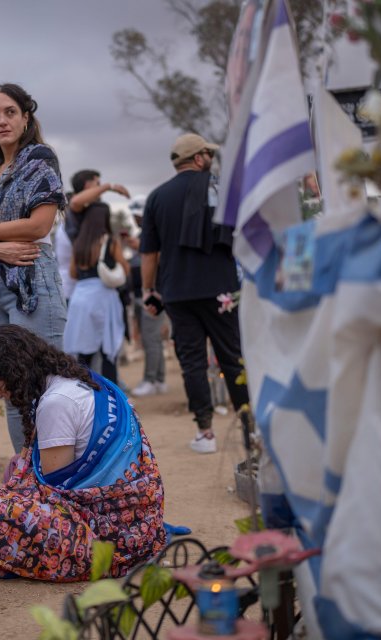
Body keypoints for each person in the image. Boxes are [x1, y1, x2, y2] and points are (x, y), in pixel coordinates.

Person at [0, 325, 166, 581]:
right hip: (141, 519)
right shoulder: (73, 378)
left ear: (13, 372)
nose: (1, 396)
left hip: (115, 533)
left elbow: (54, 492)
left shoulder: (55, 403)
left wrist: (5, 493)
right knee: (17, 468)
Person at [0, 83, 68, 454]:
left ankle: (53, 478)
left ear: (26, 117)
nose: (2, 121)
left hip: (30, 277)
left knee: (41, 383)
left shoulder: (39, 160)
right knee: (6, 384)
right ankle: (26, 475)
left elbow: (40, 225)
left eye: (10, 112)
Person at [140, 133, 248, 454]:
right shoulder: (220, 189)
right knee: (233, 358)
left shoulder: (157, 197)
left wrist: (149, 290)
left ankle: (205, 433)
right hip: (222, 290)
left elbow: (149, 254)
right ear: (199, 158)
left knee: (192, 363)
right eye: (208, 155)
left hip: (177, 292)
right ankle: (250, 429)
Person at [63, 177, 131, 382]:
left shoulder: (78, 242)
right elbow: (125, 269)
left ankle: (84, 395)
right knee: (106, 351)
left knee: (84, 353)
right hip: (103, 297)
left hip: (80, 297)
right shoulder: (109, 241)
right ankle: (111, 396)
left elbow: (73, 273)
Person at [126, 196, 169, 396]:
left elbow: (157, 258)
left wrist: (141, 247)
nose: (135, 219)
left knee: (151, 339)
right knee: (153, 339)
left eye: (137, 215)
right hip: (153, 291)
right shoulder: (149, 232)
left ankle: (151, 379)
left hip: (153, 292)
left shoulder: (153, 233)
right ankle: (158, 379)